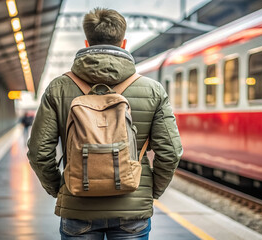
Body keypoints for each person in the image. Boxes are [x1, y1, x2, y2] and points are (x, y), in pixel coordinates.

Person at [27, 8, 182, 240]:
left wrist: (60, 187)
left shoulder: (58, 88)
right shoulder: (152, 90)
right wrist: (150, 190)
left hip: (78, 208)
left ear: (87, 42)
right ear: (124, 42)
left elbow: (39, 152)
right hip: (132, 211)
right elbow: (171, 152)